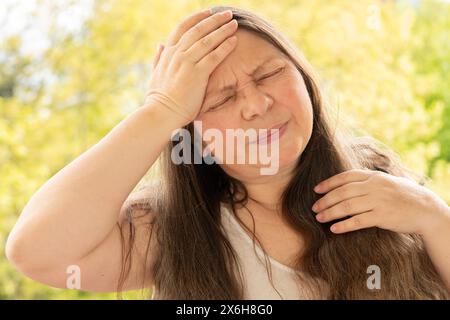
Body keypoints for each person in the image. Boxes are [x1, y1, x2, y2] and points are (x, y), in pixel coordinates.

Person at [6, 6, 450, 299]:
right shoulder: (171, 228)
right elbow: (36, 252)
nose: (256, 105)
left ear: (305, 81)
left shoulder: (383, 179)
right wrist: (160, 111)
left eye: (270, 74)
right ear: (191, 133)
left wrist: (433, 216)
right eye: (219, 100)